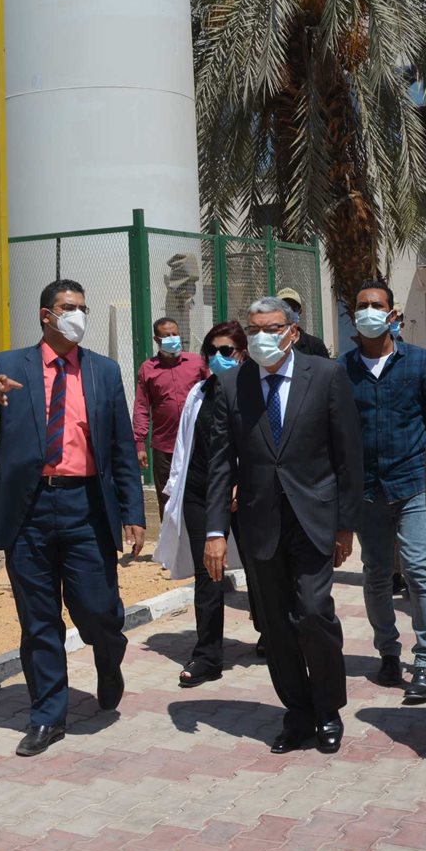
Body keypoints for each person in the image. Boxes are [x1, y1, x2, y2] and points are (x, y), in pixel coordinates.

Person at [0, 279, 145, 757]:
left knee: (98, 609)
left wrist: (133, 511)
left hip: (86, 507)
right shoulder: (8, 365)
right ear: (46, 315)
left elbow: (122, 447)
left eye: (82, 307)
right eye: (68, 307)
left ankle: (109, 656)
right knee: (39, 619)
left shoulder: (103, 371)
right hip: (29, 509)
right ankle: (47, 715)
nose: (77, 315)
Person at [205, 296, 362, 754]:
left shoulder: (326, 376)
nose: (261, 337)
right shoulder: (231, 384)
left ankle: (328, 708)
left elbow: (348, 455)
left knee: (313, 613)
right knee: (275, 625)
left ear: (292, 332)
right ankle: (298, 713)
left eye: (271, 329)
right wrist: (215, 531)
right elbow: (220, 464)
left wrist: (345, 525)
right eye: (253, 330)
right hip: (260, 523)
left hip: (314, 518)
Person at [343, 280, 426, 703]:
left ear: (392, 315)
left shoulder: (418, 362)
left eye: (376, 305)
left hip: (411, 483)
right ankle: (387, 652)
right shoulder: (341, 370)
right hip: (367, 491)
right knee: (377, 574)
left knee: (419, 570)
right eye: (362, 305)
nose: (368, 312)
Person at [153, 321, 261, 686]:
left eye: (226, 351)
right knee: (208, 573)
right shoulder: (198, 393)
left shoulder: (254, 392)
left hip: (244, 495)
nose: (217, 357)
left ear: (242, 354)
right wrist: (176, 488)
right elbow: (185, 446)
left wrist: (244, 481)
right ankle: (208, 655)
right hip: (200, 494)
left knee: (261, 569)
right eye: (211, 351)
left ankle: (271, 633)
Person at [133, 316, 209, 520]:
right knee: (167, 500)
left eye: (175, 334)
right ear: (156, 339)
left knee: (199, 494)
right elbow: (141, 407)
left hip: (197, 443)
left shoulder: (197, 363)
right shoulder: (148, 369)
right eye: (167, 335)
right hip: (165, 447)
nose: (173, 338)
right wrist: (139, 444)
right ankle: (169, 538)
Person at [276, 287, 331, 358]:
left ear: (300, 311)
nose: (288, 312)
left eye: (293, 307)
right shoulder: (269, 345)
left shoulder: (315, 345)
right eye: (283, 307)